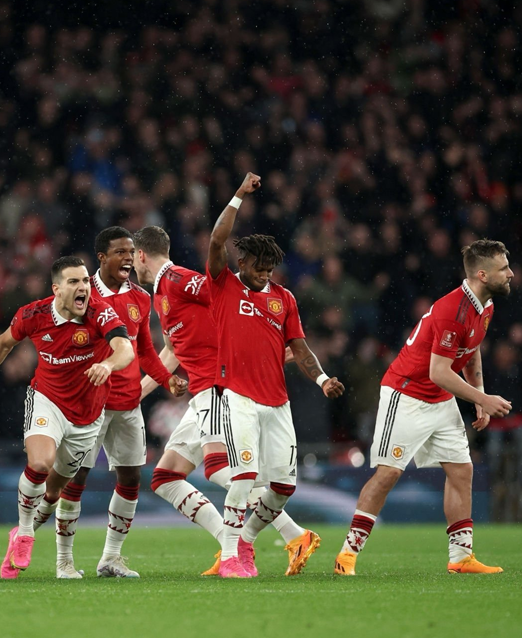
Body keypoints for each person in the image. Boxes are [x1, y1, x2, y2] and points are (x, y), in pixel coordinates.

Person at [132, 224, 322, 577]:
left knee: (224, 470)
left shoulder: (178, 279)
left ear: (140, 255)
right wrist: (136, 393)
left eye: (132, 259)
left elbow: (232, 296)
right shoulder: (161, 295)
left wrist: (264, 350)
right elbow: (172, 351)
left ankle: (245, 546)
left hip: (221, 389)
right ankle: (280, 536)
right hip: (201, 393)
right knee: (165, 477)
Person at [334, 239, 512, 576]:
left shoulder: (484, 306)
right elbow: (438, 371)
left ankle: (460, 558)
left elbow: (471, 348)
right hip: (407, 394)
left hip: (440, 398)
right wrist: (482, 399)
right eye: (504, 268)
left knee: (462, 470)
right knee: (388, 473)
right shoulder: (453, 310)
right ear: (482, 274)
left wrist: (479, 393)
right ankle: (347, 555)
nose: (511, 273)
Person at [0, 256, 135, 579]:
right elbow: (2, 344)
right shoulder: (34, 314)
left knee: (54, 493)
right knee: (40, 464)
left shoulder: (99, 312)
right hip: (47, 401)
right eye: (74, 281)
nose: (83, 287)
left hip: (87, 415)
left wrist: (108, 364)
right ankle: (26, 533)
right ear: (56, 289)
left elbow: (125, 348)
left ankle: (29, 544)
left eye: (85, 281)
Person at [206, 172, 344, 578]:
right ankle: (229, 556)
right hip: (237, 396)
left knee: (283, 487)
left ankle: (245, 540)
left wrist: (322, 379)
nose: (265, 274)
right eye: (259, 268)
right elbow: (216, 241)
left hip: (277, 402)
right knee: (245, 476)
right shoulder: (224, 285)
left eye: (270, 269)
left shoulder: (284, 299)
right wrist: (238, 194)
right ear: (242, 262)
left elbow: (299, 349)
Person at [31, 227, 187, 578]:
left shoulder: (141, 298)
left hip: (128, 404)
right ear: (102, 257)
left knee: (131, 478)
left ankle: (111, 558)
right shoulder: (82, 294)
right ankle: (64, 561)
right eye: (120, 252)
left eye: (131, 252)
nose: (128, 258)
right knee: (76, 480)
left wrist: (166, 379)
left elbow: (145, 350)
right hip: (91, 404)